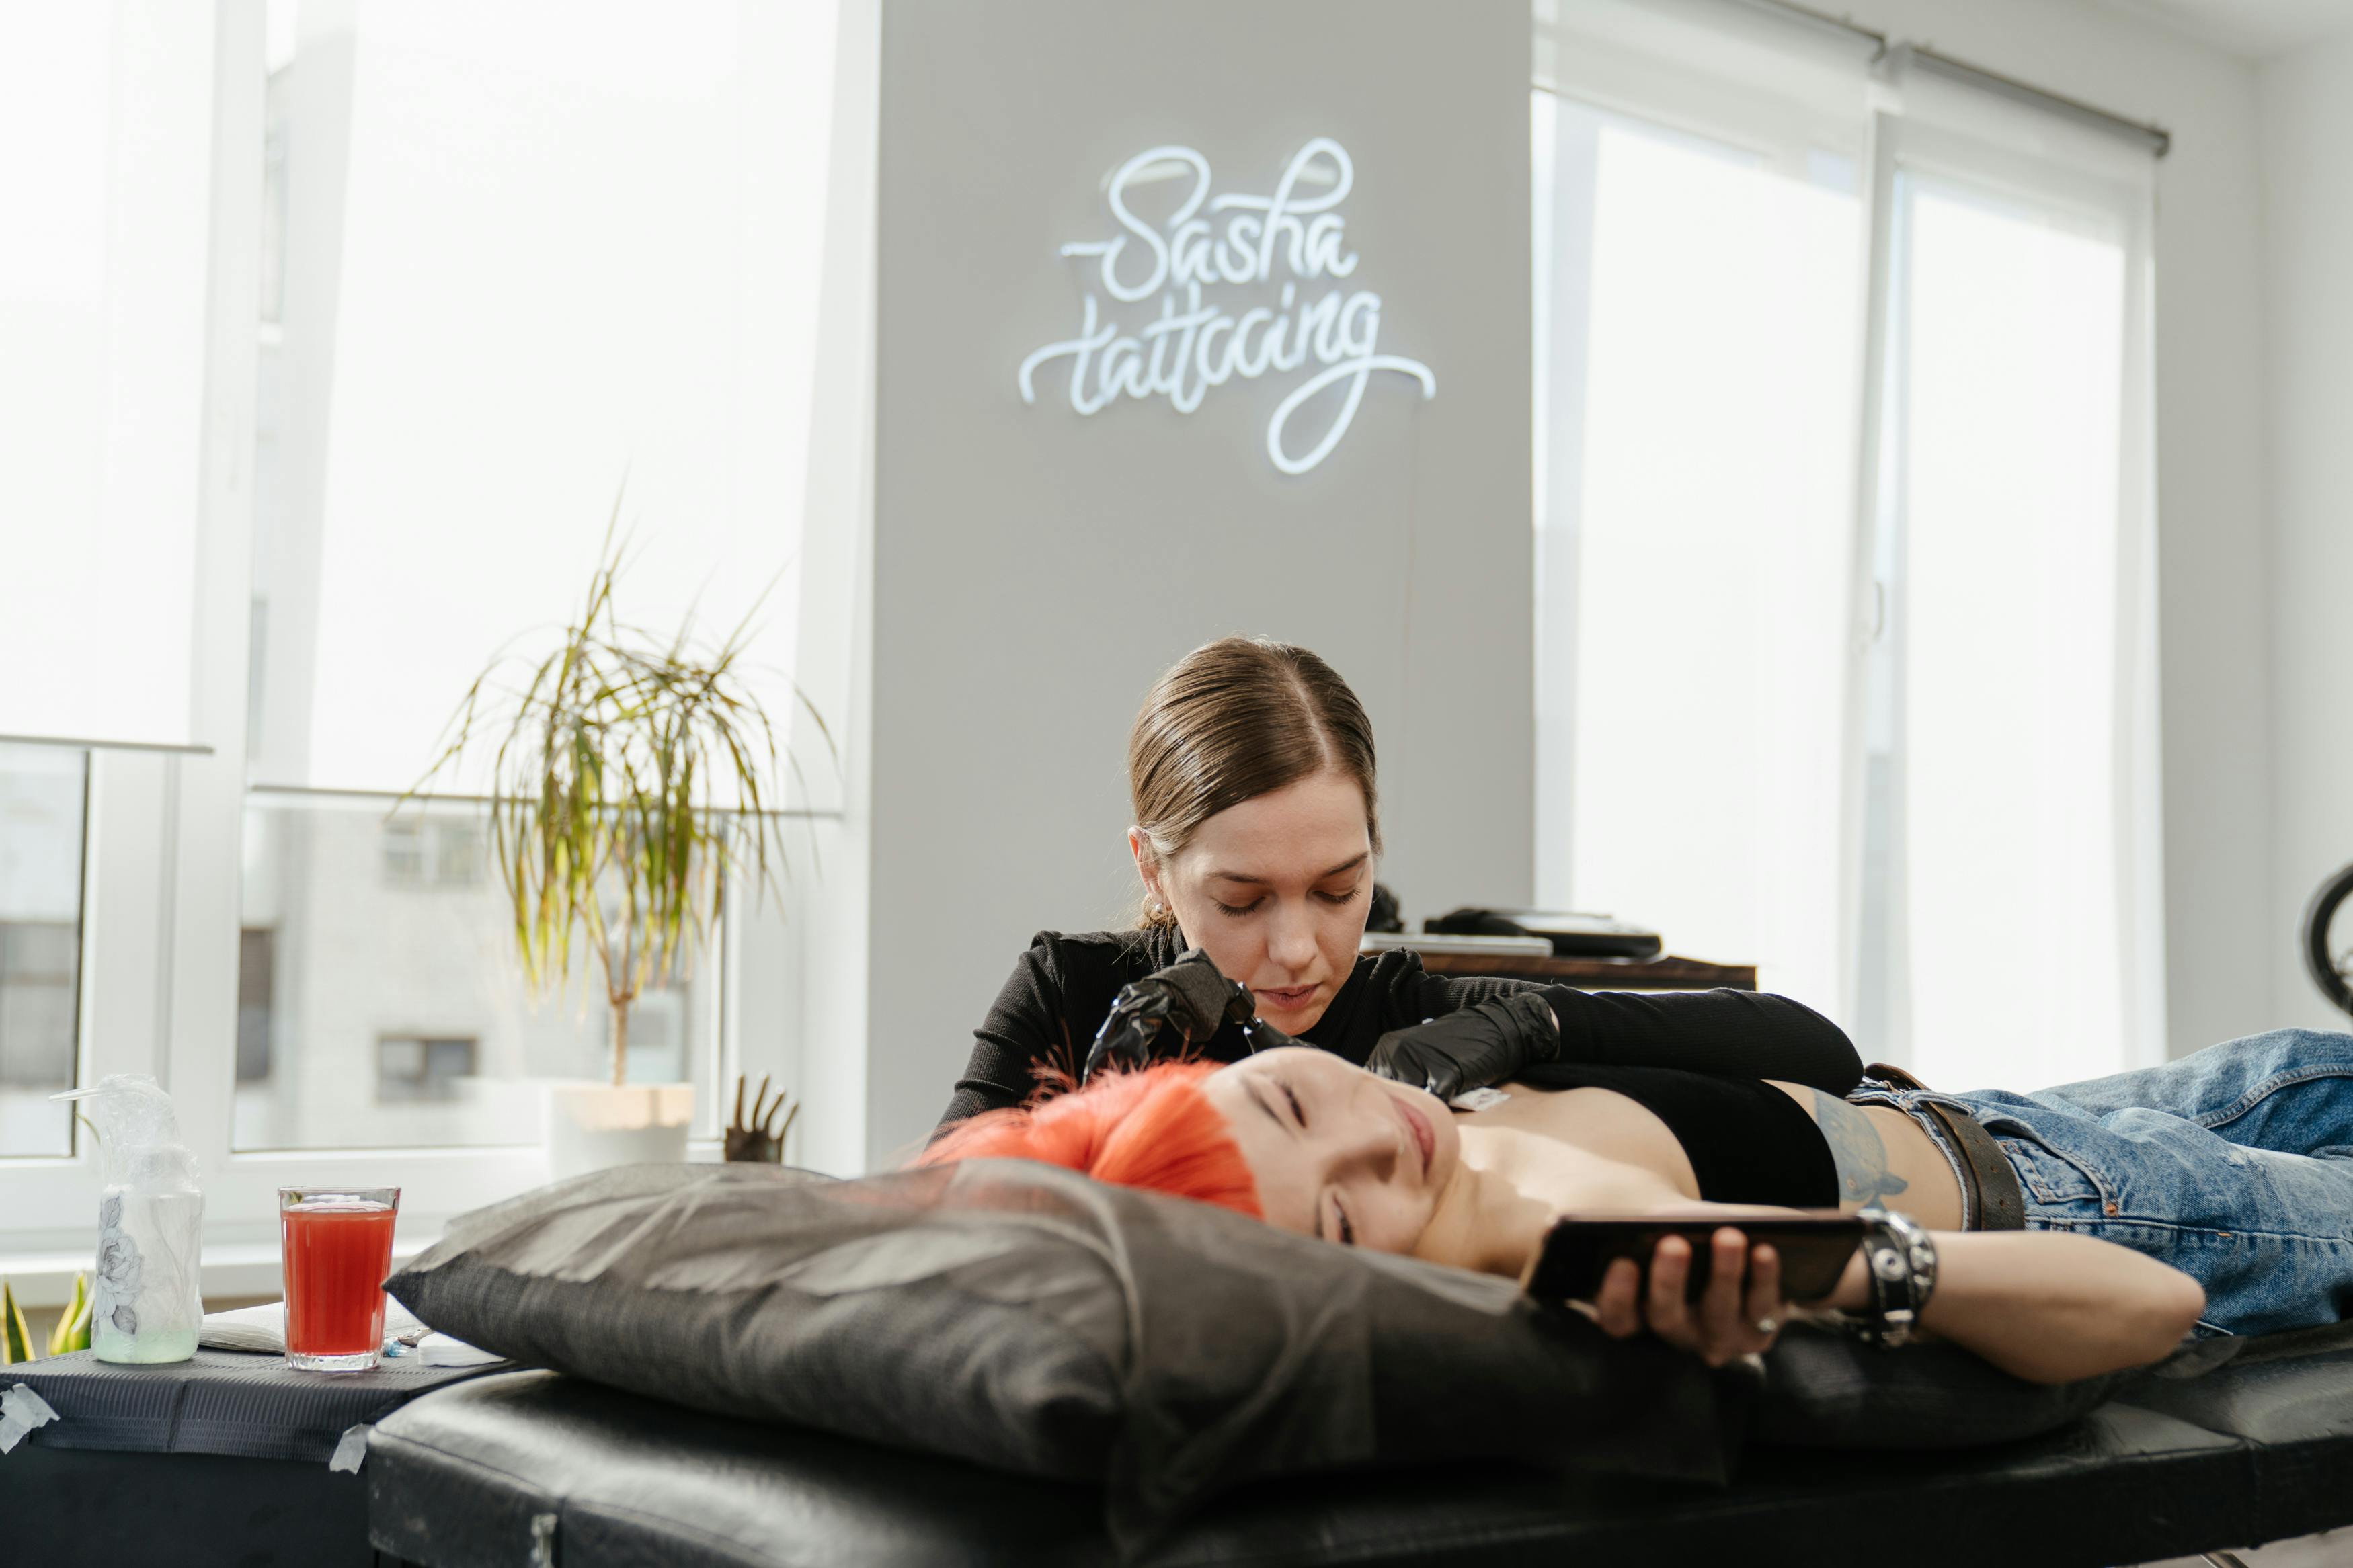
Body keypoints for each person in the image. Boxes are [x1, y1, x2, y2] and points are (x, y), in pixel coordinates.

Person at [918, 1026, 2353, 1386]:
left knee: (2315, 1060)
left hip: (1995, 1110)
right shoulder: (1562, 1232)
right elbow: (2147, 1307)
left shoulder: (1415, 1083)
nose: (1382, 1146)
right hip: (2105, 1205)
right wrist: (1835, 1277)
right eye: (1348, 1221)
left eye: (1295, 1101)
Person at [941, 634, 1856, 1129]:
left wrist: (1532, 1020)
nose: (1298, 948)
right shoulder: (1072, 992)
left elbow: (1818, 1051)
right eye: (1243, 900)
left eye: (1339, 891)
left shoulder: (1412, 1019)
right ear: (1154, 867)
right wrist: (1105, 1106)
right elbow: (923, 1240)